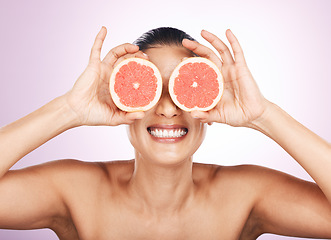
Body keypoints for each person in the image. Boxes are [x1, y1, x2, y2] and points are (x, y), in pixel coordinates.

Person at [0, 26, 330, 240]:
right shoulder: (75, 190)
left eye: (185, 89)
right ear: (122, 102)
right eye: (151, 88)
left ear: (211, 105)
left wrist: (262, 115)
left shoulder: (246, 194)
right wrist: (68, 110)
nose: (169, 109)